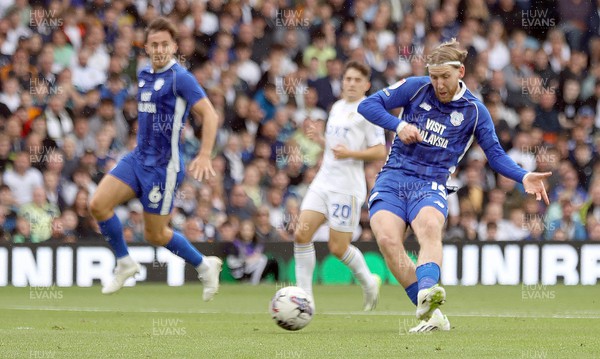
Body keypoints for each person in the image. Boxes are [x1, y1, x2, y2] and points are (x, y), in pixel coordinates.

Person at [357, 39, 551, 332]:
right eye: (434, 77)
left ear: (460, 71)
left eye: (444, 77)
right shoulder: (416, 87)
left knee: (430, 228)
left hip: (431, 182)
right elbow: (367, 104)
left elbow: (495, 156)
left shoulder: (474, 111)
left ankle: (426, 290)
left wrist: (523, 176)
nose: (438, 84)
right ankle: (432, 313)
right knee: (387, 241)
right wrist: (398, 126)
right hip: (394, 176)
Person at [89, 17, 223, 301]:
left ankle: (204, 265)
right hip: (137, 158)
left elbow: (210, 114)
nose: (159, 49)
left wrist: (204, 154)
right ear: (146, 47)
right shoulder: (144, 73)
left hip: (164, 168)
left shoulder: (181, 78)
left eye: (165, 44)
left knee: (155, 234)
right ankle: (125, 263)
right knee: (98, 204)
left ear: (174, 46)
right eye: (154, 44)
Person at [294, 61, 387, 311]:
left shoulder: (370, 110)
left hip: (347, 187)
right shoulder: (336, 107)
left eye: (357, 80)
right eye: (348, 79)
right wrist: (321, 139)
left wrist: (351, 154)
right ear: (342, 82)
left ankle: (369, 282)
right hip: (323, 181)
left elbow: (380, 150)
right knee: (301, 234)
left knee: (338, 247)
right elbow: (336, 148)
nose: (351, 84)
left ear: (367, 85)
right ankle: (305, 299)